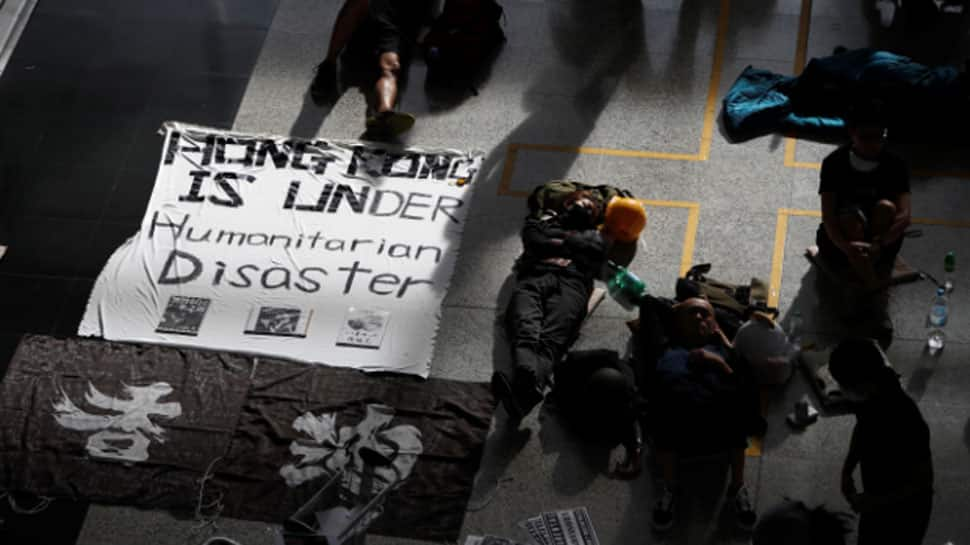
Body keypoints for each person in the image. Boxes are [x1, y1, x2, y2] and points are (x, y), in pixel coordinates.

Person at [640, 297, 761, 532]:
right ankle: (670, 487)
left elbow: (746, 393)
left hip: (720, 435)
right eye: (691, 314)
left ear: (714, 325)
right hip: (676, 436)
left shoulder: (726, 353)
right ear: (676, 323)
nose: (698, 317)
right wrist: (686, 305)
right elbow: (649, 303)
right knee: (663, 408)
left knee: (737, 406)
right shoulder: (664, 347)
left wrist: (718, 359)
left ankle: (737, 487)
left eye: (704, 314)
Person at [492, 190, 610, 424]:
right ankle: (528, 386)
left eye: (590, 210)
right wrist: (573, 244)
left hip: (573, 284)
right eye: (581, 204)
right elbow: (533, 240)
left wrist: (555, 243)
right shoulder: (542, 221)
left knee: (553, 338)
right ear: (567, 203)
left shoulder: (596, 236)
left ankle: (524, 388)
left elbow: (597, 257)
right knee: (524, 325)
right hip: (536, 276)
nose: (584, 210)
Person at [816, 99, 911, 344]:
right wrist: (847, 247)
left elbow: (904, 216)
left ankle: (860, 287)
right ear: (852, 134)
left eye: (880, 137)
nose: (874, 144)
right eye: (866, 137)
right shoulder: (834, 163)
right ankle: (875, 294)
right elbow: (828, 217)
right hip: (844, 238)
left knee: (886, 207)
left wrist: (880, 243)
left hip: (880, 237)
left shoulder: (895, 164)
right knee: (849, 219)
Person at [828, 338, 934, 545]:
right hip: (876, 498)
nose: (841, 390)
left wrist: (875, 502)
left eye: (844, 385)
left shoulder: (908, 421)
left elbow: (922, 482)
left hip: (904, 515)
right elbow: (862, 429)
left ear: (864, 384)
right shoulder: (872, 397)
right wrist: (847, 469)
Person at [310, 0, 432, 136]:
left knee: (391, 67)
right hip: (368, 18)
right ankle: (328, 65)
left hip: (394, 28)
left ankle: (385, 113)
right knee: (356, 5)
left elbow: (428, 19)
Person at [550, 349, 644, 479]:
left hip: (609, 365)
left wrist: (636, 451)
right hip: (575, 368)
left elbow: (631, 417)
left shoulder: (626, 384)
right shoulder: (570, 397)